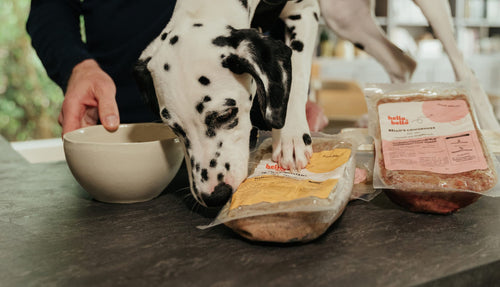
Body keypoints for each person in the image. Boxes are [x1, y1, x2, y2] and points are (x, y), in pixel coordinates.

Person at [27, 0, 327, 136]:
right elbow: (49, 6)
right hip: (126, 133)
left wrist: (288, 94)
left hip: (247, 125)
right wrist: (77, 67)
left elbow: (293, 8)